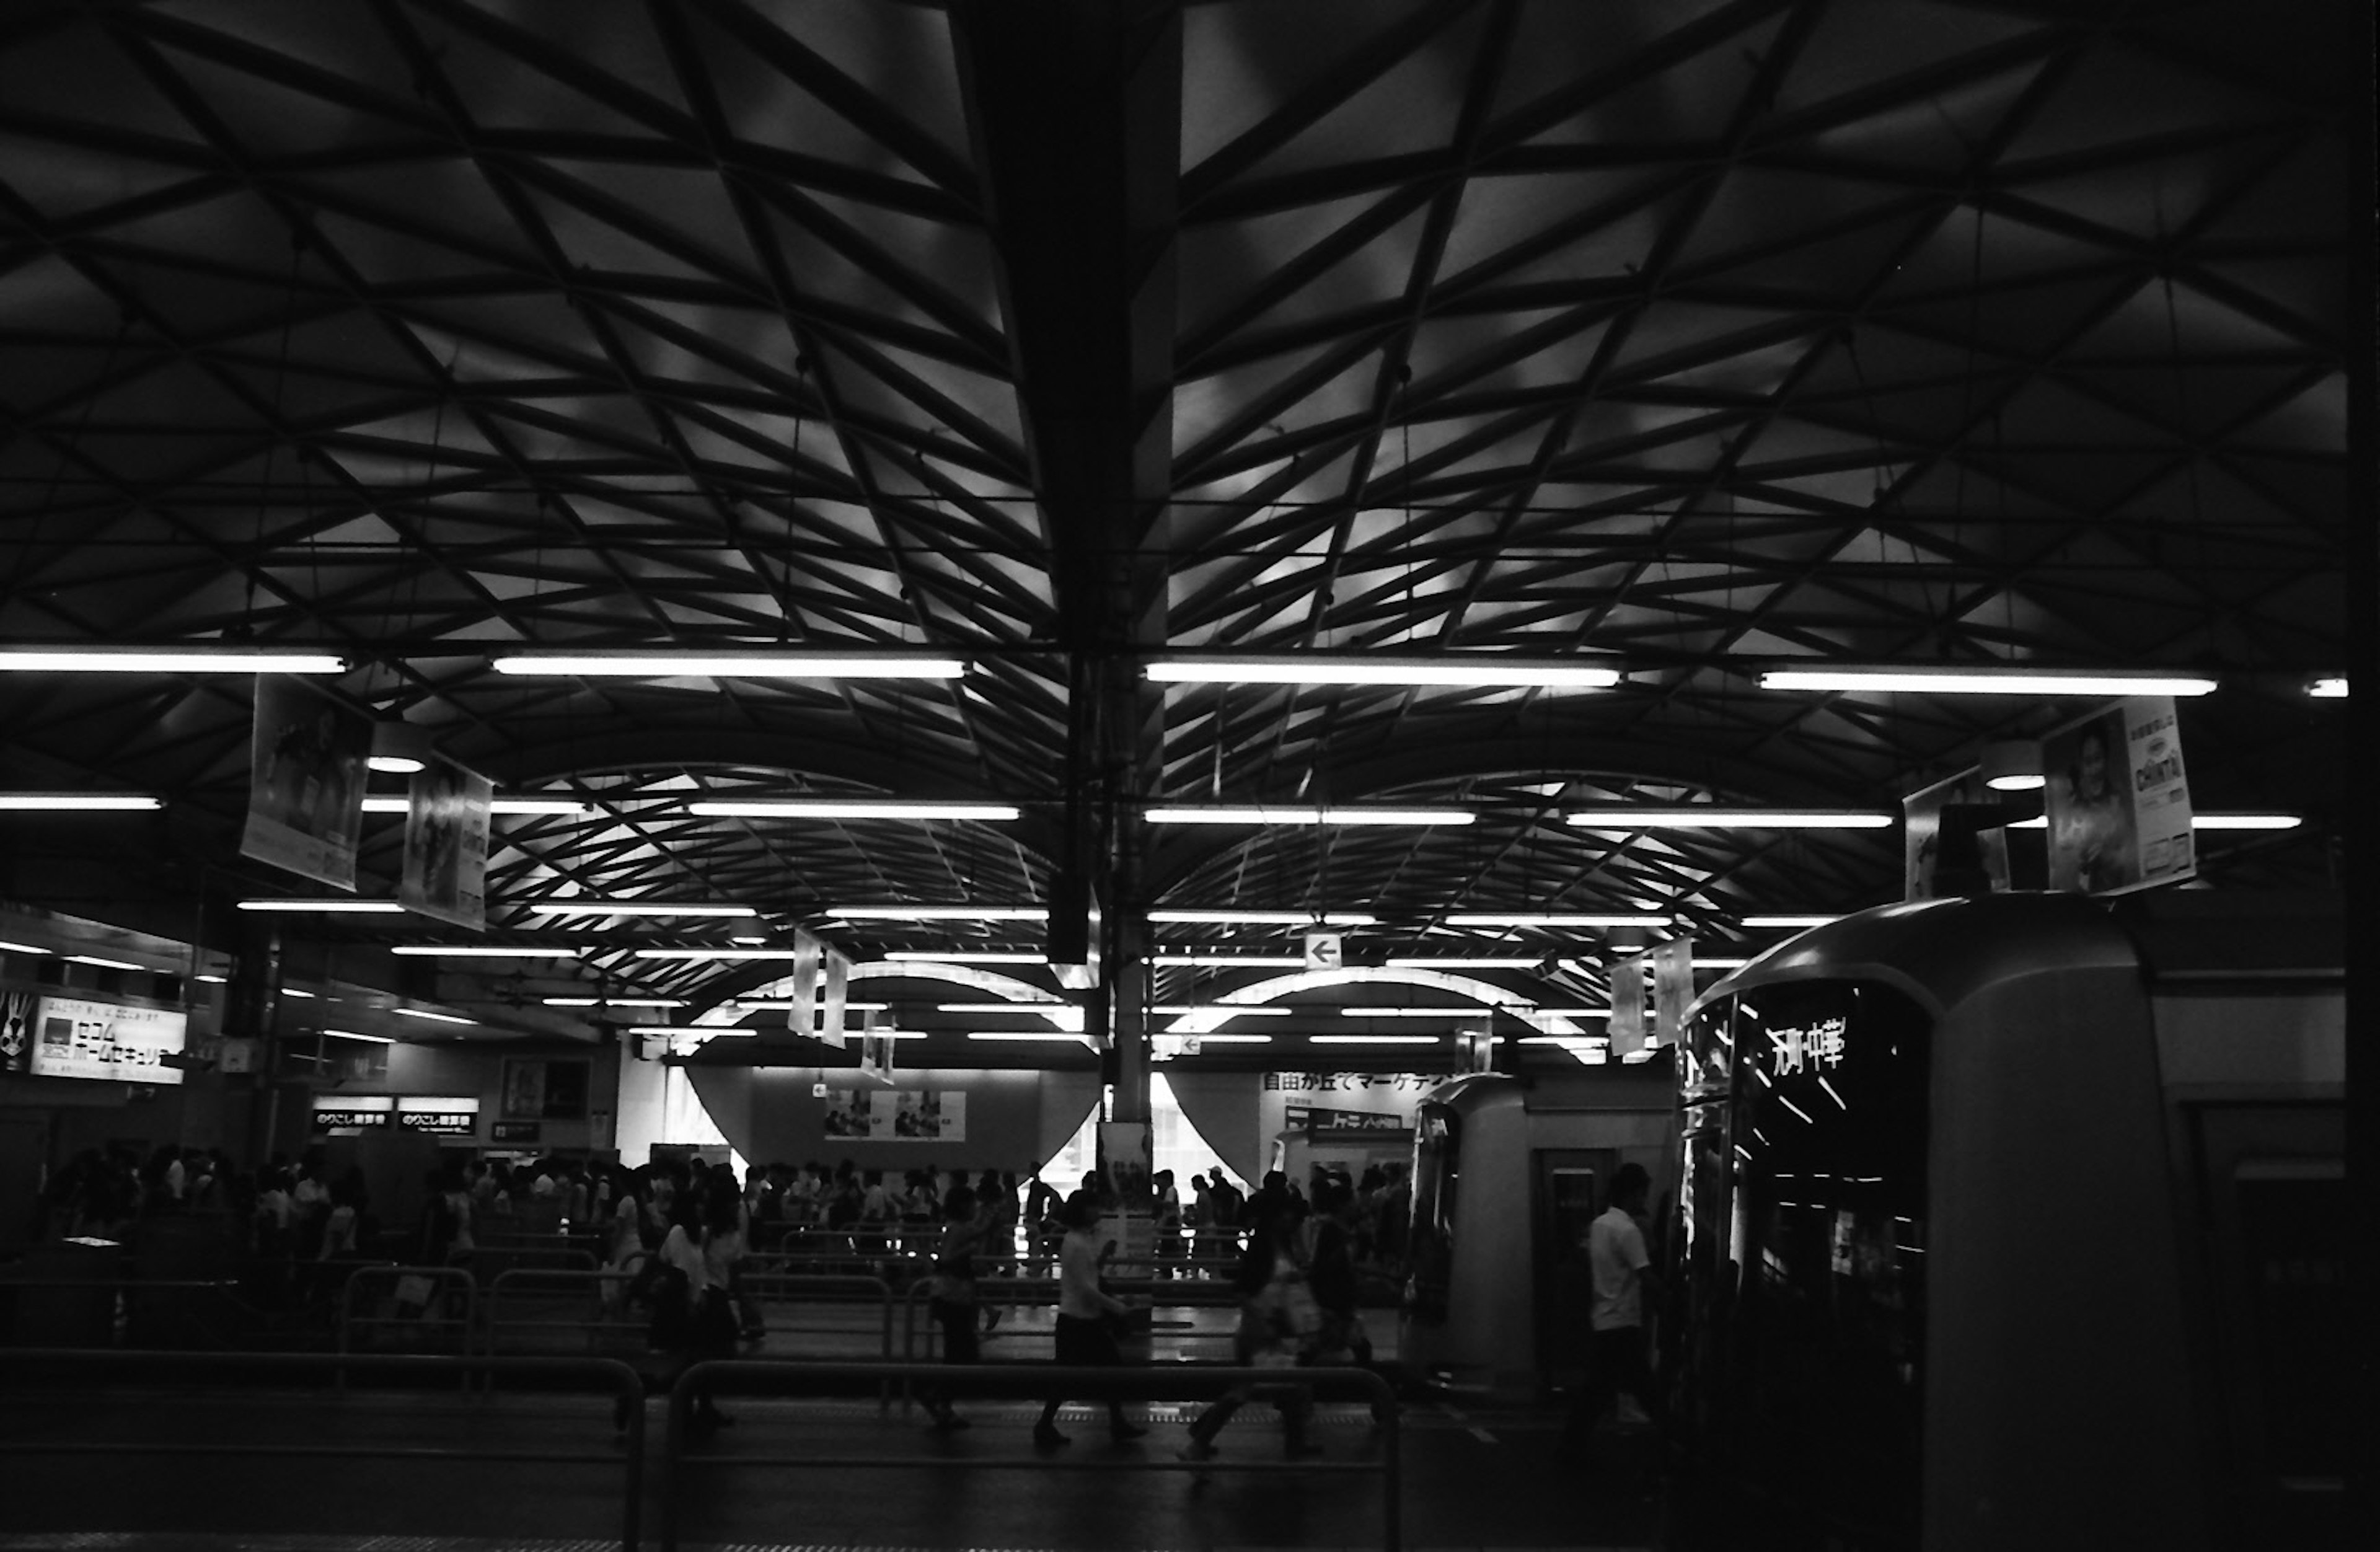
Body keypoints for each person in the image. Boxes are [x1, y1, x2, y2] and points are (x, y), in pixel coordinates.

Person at [1561, 1162, 1660, 1462]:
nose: (1644, 1201)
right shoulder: (1628, 1231)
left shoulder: (1599, 1225)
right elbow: (1645, 1274)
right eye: (1643, 1194)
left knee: (1598, 1389)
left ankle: (1571, 1447)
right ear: (1633, 1194)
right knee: (1643, 1387)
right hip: (1624, 1320)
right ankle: (1673, 1440)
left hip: (1604, 1318)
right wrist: (1669, 1298)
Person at [1033, 1193, 1145, 1448]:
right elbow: (1087, 1288)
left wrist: (1103, 1257)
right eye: (1093, 1206)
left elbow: (1086, 1278)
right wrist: (1118, 1308)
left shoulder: (1078, 1240)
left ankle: (1047, 1424)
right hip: (1080, 1320)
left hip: (1076, 1319)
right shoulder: (1078, 1242)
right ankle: (1115, 1423)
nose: (1098, 1210)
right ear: (1083, 1211)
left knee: (1072, 1375)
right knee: (1103, 1369)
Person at [921, 1184, 987, 1431]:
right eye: (972, 1204)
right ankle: (937, 1396)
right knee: (962, 1354)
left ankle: (942, 1402)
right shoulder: (958, 1229)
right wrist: (969, 1249)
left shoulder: (956, 1228)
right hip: (953, 1298)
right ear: (963, 1205)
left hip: (953, 1297)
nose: (975, 1208)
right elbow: (948, 1259)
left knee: (957, 1353)